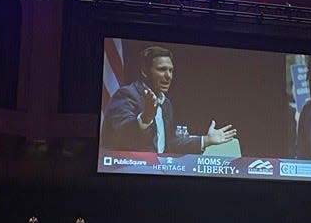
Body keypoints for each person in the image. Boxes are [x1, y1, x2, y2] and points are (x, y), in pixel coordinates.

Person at [100, 44, 237, 153]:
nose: (168, 76)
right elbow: (120, 137)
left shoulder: (166, 104)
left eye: (170, 70)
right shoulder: (127, 95)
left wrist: (205, 140)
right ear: (144, 71)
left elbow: (168, 144)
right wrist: (145, 118)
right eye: (162, 69)